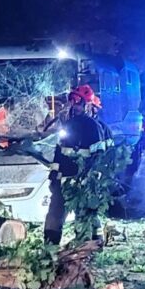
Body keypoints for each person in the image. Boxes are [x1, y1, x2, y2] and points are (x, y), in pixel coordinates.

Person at [44, 84, 113, 246]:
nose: (74, 105)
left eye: (78, 101)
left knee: (85, 214)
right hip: (64, 179)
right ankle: (49, 248)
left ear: (88, 104)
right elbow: (59, 151)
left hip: (84, 181)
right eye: (72, 101)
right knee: (55, 212)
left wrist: (89, 178)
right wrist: (54, 174)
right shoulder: (69, 125)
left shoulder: (94, 128)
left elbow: (99, 157)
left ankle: (90, 246)